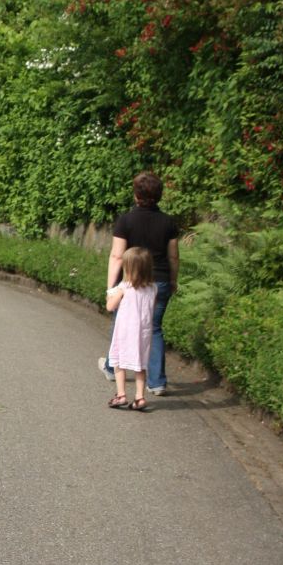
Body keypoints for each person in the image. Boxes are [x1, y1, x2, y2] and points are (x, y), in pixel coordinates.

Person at [99, 171, 179, 396]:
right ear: (160, 195)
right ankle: (158, 382)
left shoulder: (126, 220)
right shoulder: (168, 222)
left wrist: (111, 288)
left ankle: (112, 367)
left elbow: (116, 256)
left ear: (136, 195)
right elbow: (173, 256)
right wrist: (173, 280)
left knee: (122, 323)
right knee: (153, 328)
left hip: (131, 281)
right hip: (159, 281)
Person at [105, 246, 156, 411]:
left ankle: (121, 394)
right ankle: (140, 397)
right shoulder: (153, 288)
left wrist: (110, 294)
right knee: (140, 365)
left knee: (119, 361)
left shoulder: (124, 287)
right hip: (144, 333)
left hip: (125, 331)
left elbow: (110, 306)